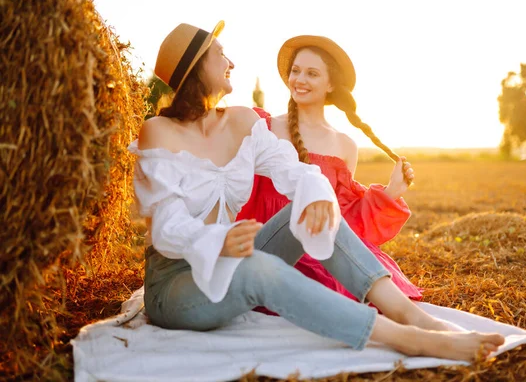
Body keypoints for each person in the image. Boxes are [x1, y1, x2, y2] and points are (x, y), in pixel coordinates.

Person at [129, 21, 504, 361]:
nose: (231, 62)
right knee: (258, 267)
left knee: (307, 206)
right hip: (177, 284)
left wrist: (318, 193)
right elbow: (166, 229)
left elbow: (295, 170)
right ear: (198, 67)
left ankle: (415, 318)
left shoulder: (241, 121)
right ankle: (404, 338)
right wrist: (220, 239)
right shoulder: (159, 133)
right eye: (220, 53)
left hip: (229, 261)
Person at [237, 35, 422, 305]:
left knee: (353, 289)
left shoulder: (344, 145)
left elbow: (343, 219)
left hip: (318, 250)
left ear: (331, 84)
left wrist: (392, 191)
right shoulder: (262, 127)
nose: (300, 80)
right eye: (296, 71)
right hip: (268, 246)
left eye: (312, 73)